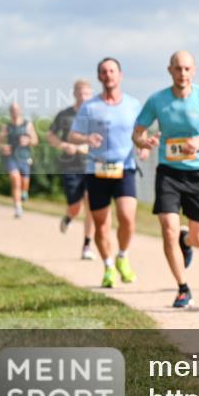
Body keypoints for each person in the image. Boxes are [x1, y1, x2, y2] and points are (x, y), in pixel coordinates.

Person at [133, 51, 199, 308]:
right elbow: (138, 132)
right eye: (178, 69)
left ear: (194, 70)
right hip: (169, 172)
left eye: (187, 69)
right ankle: (182, 288)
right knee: (168, 227)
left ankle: (186, 241)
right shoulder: (157, 100)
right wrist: (144, 141)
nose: (182, 74)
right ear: (170, 70)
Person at [71, 58, 147, 288]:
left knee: (127, 217)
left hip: (125, 168)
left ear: (120, 75)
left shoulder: (133, 105)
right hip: (96, 170)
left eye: (112, 71)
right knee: (101, 223)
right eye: (104, 71)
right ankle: (108, 266)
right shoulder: (90, 107)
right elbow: (74, 135)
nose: (109, 75)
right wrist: (87, 138)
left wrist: (143, 146)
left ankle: (122, 255)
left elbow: (141, 133)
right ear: (99, 77)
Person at [48, 79, 95, 259]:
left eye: (87, 93)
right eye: (80, 93)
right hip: (70, 166)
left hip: (91, 165)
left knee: (91, 203)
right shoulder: (64, 115)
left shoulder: (95, 115)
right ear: (75, 94)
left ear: (91, 95)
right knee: (75, 207)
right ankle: (68, 217)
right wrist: (63, 145)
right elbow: (51, 135)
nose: (84, 97)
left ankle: (87, 245)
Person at [0, 102, 38, 218]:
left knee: (24, 183)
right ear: (10, 112)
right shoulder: (6, 126)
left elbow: (35, 140)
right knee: (15, 180)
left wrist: (28, 141)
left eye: (16, 109)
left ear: (20, 111)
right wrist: (3, 147)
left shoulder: (27, 125)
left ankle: (25, 192)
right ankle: (18, 208)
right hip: (11, 157)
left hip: (25, 157)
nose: (15, 111)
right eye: (12, 109)